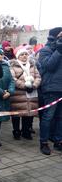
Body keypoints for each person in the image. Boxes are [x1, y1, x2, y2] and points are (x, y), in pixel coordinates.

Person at [38, 27, 62, 155]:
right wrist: (58, 50)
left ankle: (58, 141)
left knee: (60, 117)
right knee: (48, 117)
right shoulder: (46, 50)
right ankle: (44, 142)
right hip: (51, 89)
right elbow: (49, 66)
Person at [9, 47, 41, 140]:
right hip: (18, 94)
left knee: (28, 113)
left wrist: (34, 86)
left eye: (26, 54)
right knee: (16, 114)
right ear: (18, 56)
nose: (24, 56)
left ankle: (26, 131)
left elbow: (38, 77)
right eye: (22, 54)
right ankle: (16, 131)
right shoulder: (13, 66)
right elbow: (13, 79)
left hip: (31, 94)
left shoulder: (32, 65)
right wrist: (24, 86)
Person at [0, 47, 15, 146]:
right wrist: (2, 92)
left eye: (1, 54)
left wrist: (10, 91)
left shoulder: (6, 66)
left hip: (6, 96)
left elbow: (11, 80)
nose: (0, 56)